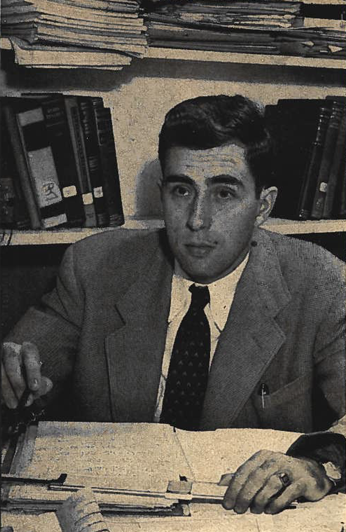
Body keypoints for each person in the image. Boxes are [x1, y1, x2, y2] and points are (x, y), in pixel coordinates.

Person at [1, 95, 345, 515]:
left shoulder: (320, 282)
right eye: (181, 190)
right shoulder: (94, 268)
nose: (197, 219)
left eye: (223, 193)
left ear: (264, 206)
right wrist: (13, 383)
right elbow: (21, 373)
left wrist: (318, 466)